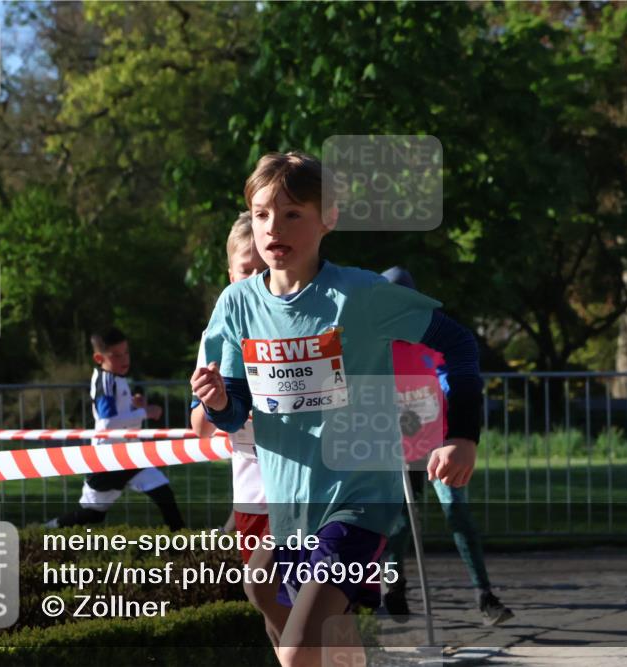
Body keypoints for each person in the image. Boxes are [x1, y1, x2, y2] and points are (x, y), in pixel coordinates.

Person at [191, 151, 483, 667]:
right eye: (261, 214)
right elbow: (236, 413)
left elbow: (459, 345)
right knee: (261, 588)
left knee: (299, 647)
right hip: (290, 504)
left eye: (292, 214)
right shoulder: (237, 306)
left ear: (329, 219)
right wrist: (218, 401)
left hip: (360, 498)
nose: (273, 228)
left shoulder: (361, 295)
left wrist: (462, 435)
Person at [380, 266, 514, 627]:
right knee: (400, 522)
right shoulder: (376, 339)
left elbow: (451, 375)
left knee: (457, 513)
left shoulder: (434, 334)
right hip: (396, 446)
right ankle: (394, 587)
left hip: (437, 443)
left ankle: (484, 594)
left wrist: (456, 412)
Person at [44, 327, 184, 531]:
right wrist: (145, 413)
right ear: (99, 358)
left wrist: (135, 407)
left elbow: (118, 416)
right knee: (93, 514)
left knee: (164, 494)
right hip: (108, 460)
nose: (124, 359)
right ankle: (48, 529)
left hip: (129, 455)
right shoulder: (106, 379)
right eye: (116, 355)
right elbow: (106, 423)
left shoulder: (116, 378)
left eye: (126, 352)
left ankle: (184, 543)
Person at [190, 211, 270, 566]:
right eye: (245, 270)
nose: (254, 279)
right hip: (252, 482)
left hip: (309, 483)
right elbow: (201, 426)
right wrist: (215, 401)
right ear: (230, 275)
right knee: (262, 594)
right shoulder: (216, 336)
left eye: (262, 269)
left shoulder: (296, 320)